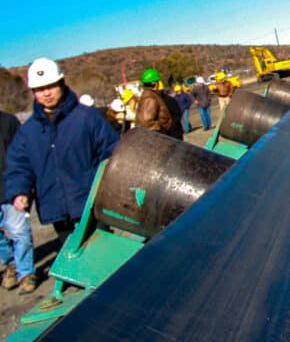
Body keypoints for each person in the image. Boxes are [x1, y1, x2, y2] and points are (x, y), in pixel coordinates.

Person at [4, 57, 119, 260]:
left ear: (61, 83)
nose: (47, 93)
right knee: (74, 263)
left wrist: (106, 186)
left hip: (92, 205)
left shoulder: (87, 117)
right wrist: (20, 191)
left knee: (104, 259)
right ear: (33, 93)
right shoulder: (28, 131)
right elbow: (19, 166)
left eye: (51, 86)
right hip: (57, 209)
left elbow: (112, 152)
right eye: (40, 89)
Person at [0, 110, 34, 294]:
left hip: (10, 188)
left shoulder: (8, 121)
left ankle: (26, 273)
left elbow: (23, 154)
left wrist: (25, 185)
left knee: (20, 232)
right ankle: (10, 264)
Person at [135, 68, 183, 140]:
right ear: (154, 84)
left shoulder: (150, 96)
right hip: (159, 137)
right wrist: (161, 128)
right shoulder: (150, 99)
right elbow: (146, 122)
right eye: (157, 82)